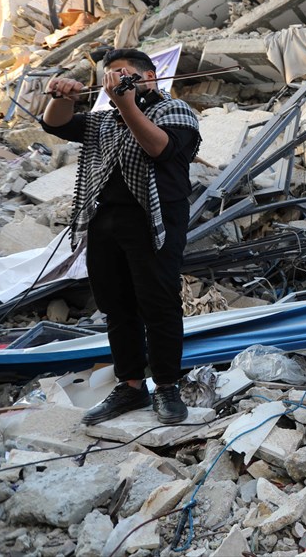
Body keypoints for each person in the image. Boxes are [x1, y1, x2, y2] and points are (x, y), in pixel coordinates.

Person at [42, 48, 200, 425]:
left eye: (125, 73)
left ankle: (166, 387)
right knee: (116, 307)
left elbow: (158, 147)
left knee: (158, 304)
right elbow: (56, 124)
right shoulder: (104, 121)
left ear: (151, 77)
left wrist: (127, 104)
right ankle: (131, 386)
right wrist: (60, 97)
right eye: (111, 74)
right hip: (105, 221)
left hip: (153, 222)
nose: (116, 79)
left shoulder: (176, 112)